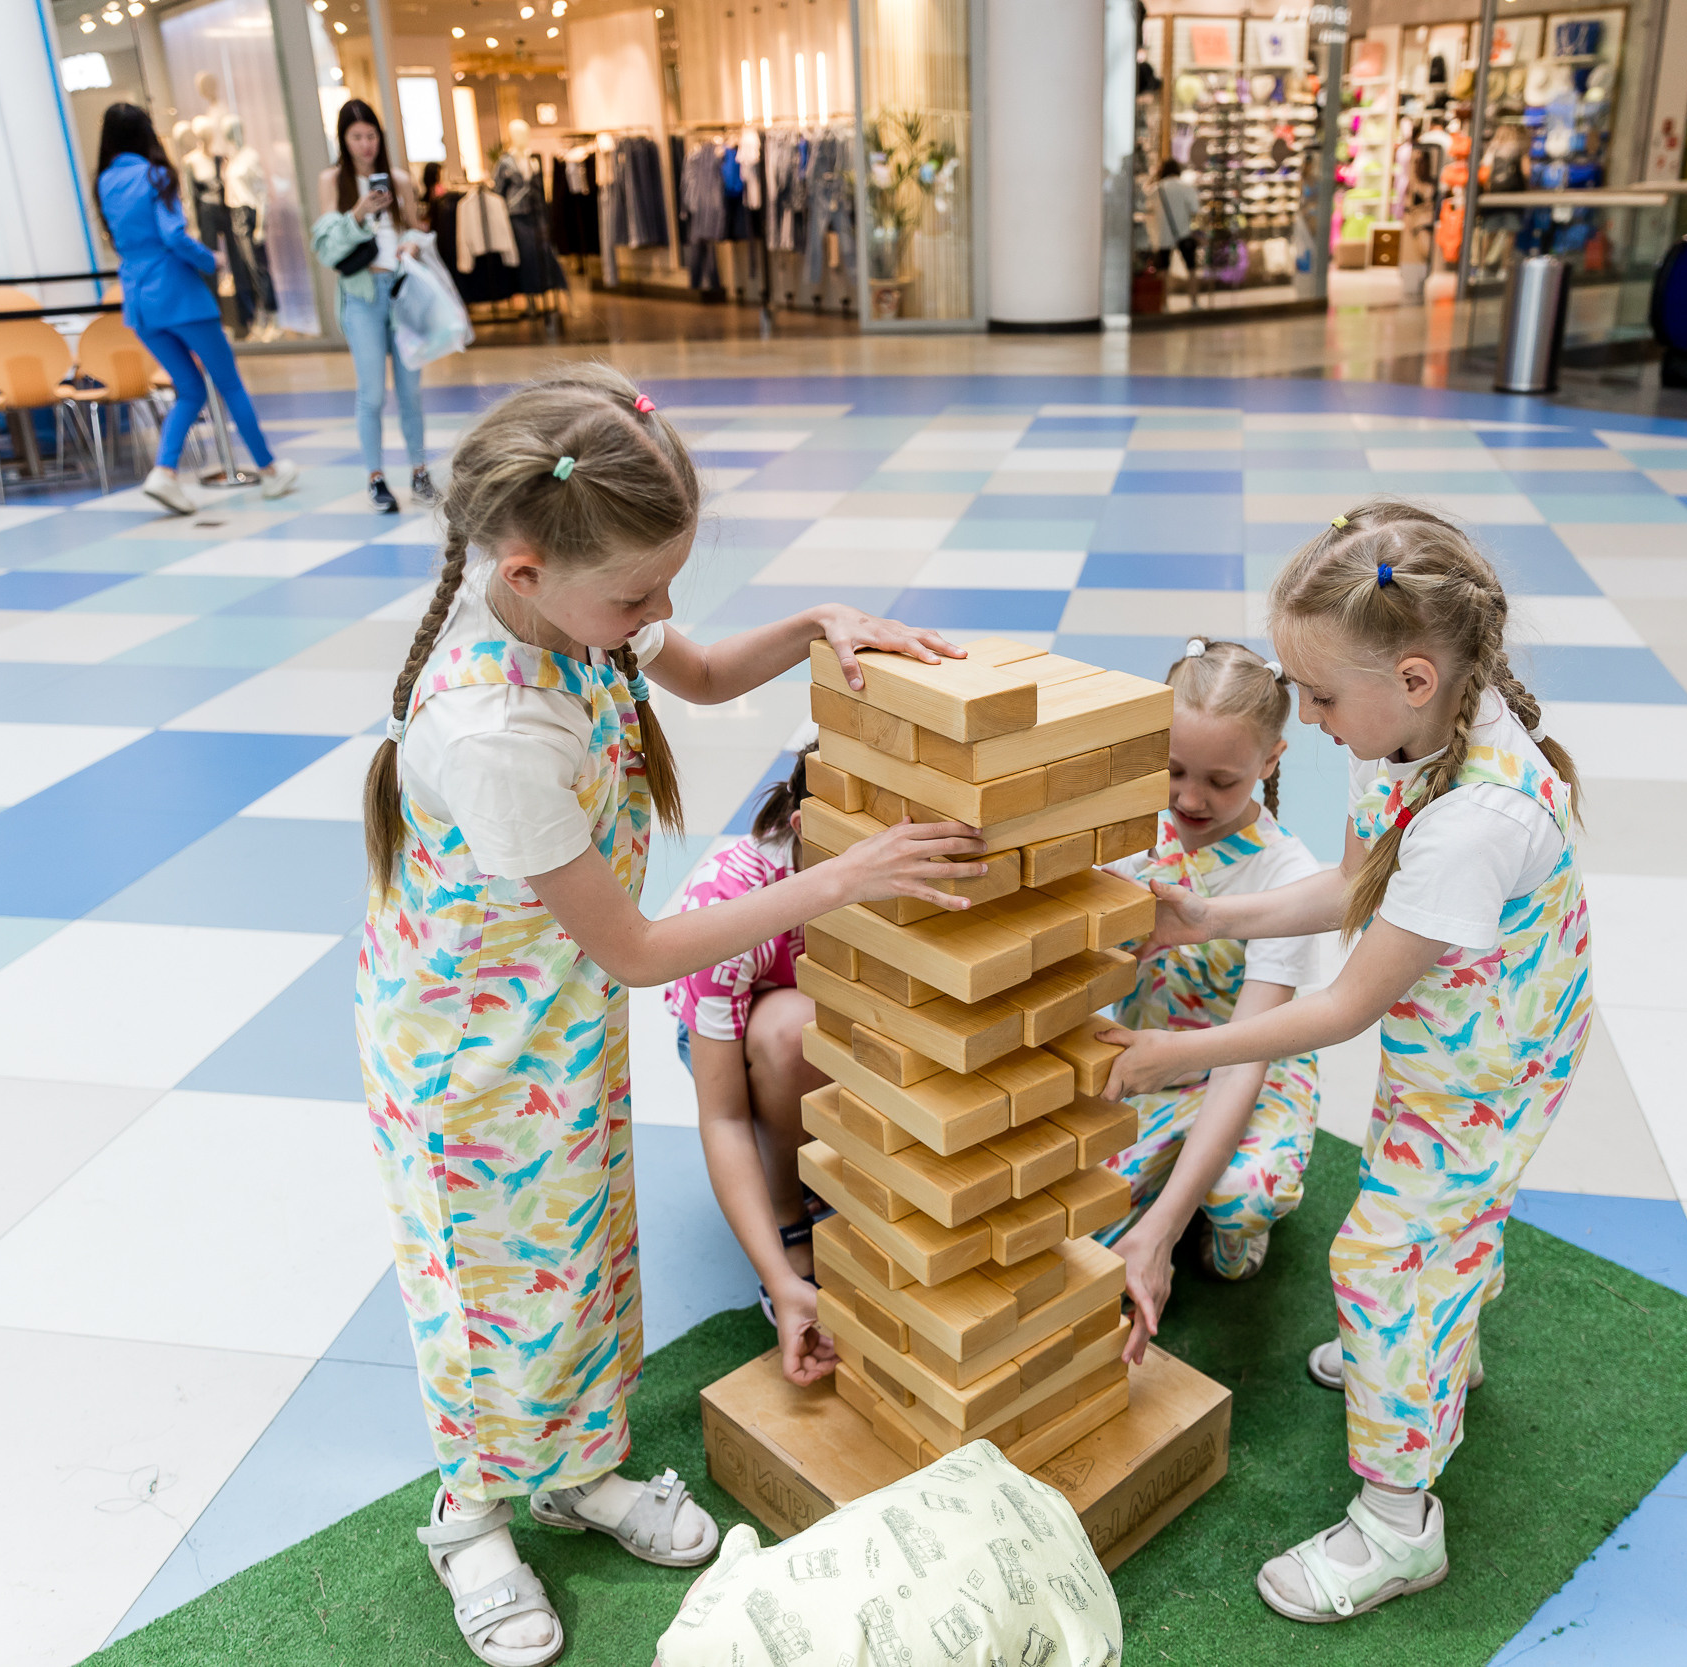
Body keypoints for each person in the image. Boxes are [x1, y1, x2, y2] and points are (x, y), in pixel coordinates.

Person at [355, 362, 982, 1667]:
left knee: (581, 1255)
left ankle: (577, 1465)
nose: (660, 613)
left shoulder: (586, 619)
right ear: (524, 571)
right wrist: (838, 875)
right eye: (637, 593)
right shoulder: (496, 731)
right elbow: (639, 946)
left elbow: (693, 669)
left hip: (553, 1034)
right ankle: (471, 1510)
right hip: (469, 1062)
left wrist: (819, 623)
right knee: (492, 1287)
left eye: (666, 582)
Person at [1101, 500, 1591, 1626]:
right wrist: (1202, 921)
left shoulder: (1474, 816)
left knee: (1385, 1258)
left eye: (1318, 695)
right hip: (1473, 1047)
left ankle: (1395, 1521)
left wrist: (1173, 1047)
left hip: (1487, 1066)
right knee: (1435, 1223)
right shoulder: (1421, 740)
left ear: (1414, 675)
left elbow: (1341, 1006)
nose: (1308, 718)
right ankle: (1440, 1339)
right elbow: (1358, 886)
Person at [1099, 638, 1326, 1362]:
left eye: (1221, 781)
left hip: (1246, 1073)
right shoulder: (1130, 834)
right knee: (1081, 1215)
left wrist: (1164, 1228)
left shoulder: (1285, 871)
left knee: (1239, 1197)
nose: (1189, 798)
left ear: (1272, 758)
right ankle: (1172, 1180)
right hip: (1149, 1061)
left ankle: (1224, 1216)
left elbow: (1241, 1065)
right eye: (1172, 769)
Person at [663, 744, 837, 1354]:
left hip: (831, 1021)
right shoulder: (731, 901)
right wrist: (781, 1278)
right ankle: (792, 1209)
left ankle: (839, 1171)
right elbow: (724, 1118)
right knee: (792, 1030)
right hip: (740, 1038)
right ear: (804, 827)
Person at [90, 103, 301, 515]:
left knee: (189, 388)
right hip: (179, 294)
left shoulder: (104, 182)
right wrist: (211, 260)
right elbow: (172, 234)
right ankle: (270, 470)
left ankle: (164, 473)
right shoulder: (155, 175)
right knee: (229, 384)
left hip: (138, 299)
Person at [313, 99, 430, 514]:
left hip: (400, 293)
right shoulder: (334, 181)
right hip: (361, 297)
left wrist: (414, 244)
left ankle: (419, 471)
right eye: (356, 137)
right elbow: (326, 248)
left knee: (411, 390)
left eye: (371, 136)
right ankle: (376, 477)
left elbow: (418, 231)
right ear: (344, 141)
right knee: (372, 393)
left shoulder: (398, 179)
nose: (365, 145)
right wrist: (357, 214)